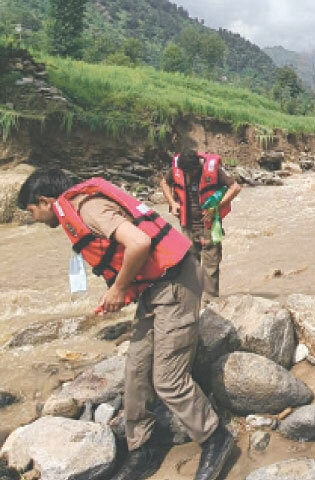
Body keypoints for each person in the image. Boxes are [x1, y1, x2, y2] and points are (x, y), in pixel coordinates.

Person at [16, 169, 233, 480]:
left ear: (44, 201)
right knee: (135, 373)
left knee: (168, 380)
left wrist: (118, 289)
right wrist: (119, 290)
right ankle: (143, 447)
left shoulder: (89, 208)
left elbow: (139, 243)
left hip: (176, 284)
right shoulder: (77, 207)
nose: (34, 219)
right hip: (154, 289)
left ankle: (215, 437)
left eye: (32, 212)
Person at [160, 150, 241, 301]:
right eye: (185, 173)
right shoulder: (178, 169)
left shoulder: (213, 170)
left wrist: (216, 207)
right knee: (190, 264)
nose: (188, 176)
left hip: (209, 225)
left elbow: (235, 187)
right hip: (187, 225)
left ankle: (210, 300)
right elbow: (164, 182)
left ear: (197, 167)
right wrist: (172, 203)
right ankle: (192, 300)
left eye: (190, 172)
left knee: (211, 264)